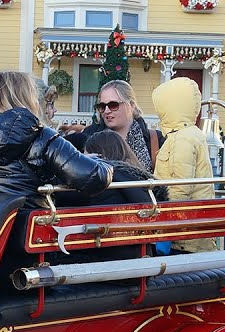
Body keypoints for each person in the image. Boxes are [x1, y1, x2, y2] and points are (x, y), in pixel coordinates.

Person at [0, 70, 111, 205]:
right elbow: (94, 177)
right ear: (27, 99)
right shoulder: (42, 137)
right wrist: (103, 163)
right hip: (29, 236)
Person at [151, 77, 217, 253]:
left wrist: (164, 230)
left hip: (185, 240)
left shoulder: (182, 139)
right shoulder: (188, 134)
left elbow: (179, 189)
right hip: (192, 235)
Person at [81, 130, 169, 257]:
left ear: (97, 157)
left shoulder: (102, 189)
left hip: (103, 259)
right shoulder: (138, 180)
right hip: (140, 257)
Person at [68, 80, 164, 172]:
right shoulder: (87, 136)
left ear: (131, 105)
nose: (106, 111)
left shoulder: (155, 140)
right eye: (102, 106)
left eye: (113, 105)